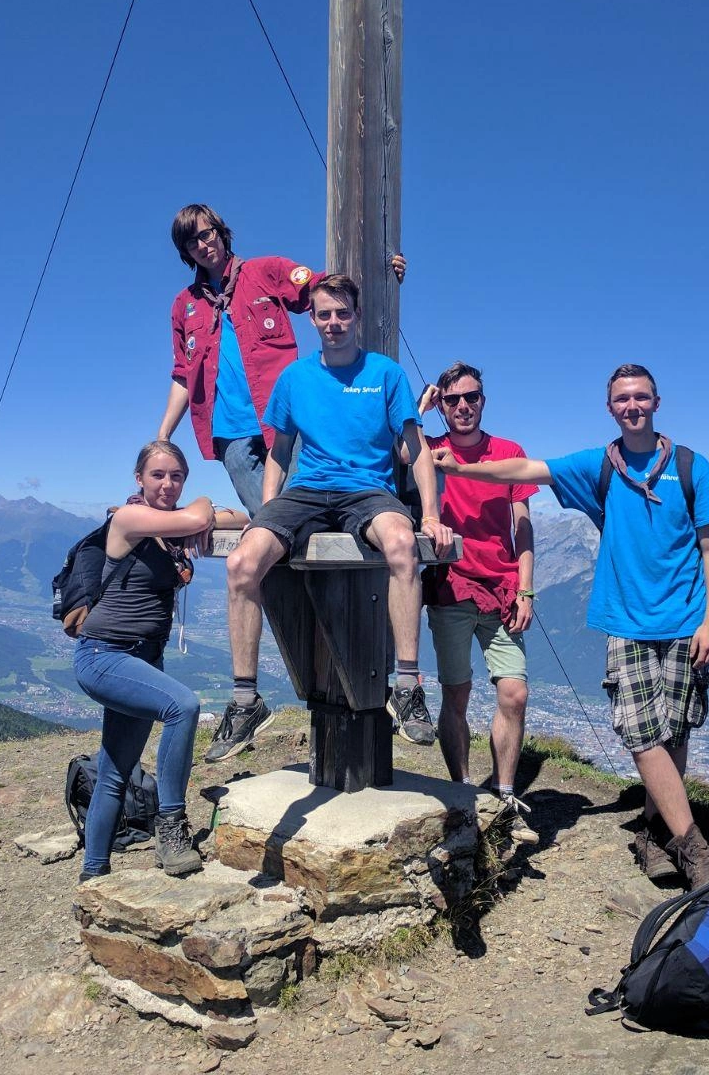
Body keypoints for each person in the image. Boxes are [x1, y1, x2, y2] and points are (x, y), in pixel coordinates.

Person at [434, 364, 709, 889]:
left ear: (657, 402)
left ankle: (656, 831)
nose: (632, 405)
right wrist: (459, 471)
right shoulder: (601, 465)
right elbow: (523, 471)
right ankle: (693, 847)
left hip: (686, 618)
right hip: (625, 617)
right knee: (642, 732)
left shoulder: (692, 466)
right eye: (622, 398)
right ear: (610, 407)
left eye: (641, 396)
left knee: (675, 729)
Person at [209, 273, 454, 763]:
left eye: (343, 313)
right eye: (325, 314)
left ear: (357, 317)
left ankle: (406, 687)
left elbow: (416, 448)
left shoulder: (385, 373)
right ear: (313, 319)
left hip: (368, 490)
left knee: (402, 546)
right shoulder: (296, 378)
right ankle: (244, 702)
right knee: (241, 565)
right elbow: (279, 451)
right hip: (306, 491)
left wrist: (429, 513)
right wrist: (268, 511)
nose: (334, 323)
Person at [157, 204, 404, 513]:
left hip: (288, 413)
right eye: (191, 243)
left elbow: (323, 285)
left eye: (206, 235)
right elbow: (184, 374)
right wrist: (164, 434)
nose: (202, 246)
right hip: (230, 426)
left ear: (220, 232)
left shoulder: (266, 271)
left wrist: (381, 274)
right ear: (185, 252)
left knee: (298, 507)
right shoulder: (184, 305)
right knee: (268, 515)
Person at [73, 440, 246, 880]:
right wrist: (202, 504)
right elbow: (197, 516)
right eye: (158, 475)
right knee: (182, 707)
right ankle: (170, 825)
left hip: (142, 660)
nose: (168, 484)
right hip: (104, 655)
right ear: (139, 480)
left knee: (114, 772)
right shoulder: (128, 518)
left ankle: (93, 875)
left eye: (177, 477)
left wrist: (201, 514)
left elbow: (243, 516)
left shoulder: (169, 531)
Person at [416, 362, 539, 845]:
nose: (463, 406)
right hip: (450, 583)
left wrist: (526, 587)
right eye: (452, 400)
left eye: (472, 397)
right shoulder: (427, 451)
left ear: (484, 400)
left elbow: (523, 524)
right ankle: (462, 791)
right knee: (456, 693)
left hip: (503, 587)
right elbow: (391, 448)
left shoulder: (508, 453)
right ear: (441, 404)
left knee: (514, 693)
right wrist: (417, 411)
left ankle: (505, 793)